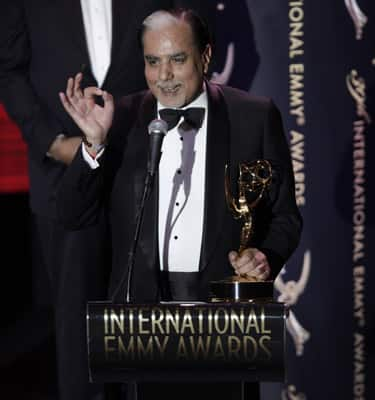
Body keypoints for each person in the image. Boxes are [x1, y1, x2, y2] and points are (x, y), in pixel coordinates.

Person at [57, 8, 302, 400]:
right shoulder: (118, 120)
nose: (164, 75)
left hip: (225, 321)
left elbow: (286, 217)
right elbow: (72, 214)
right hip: (140, 321)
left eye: (177, 59)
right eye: (153, 62)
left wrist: (263, 255)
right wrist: (92, 145)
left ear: (205, 57)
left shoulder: (253, 116)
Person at [0, 2, 214, 400]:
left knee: (152, 323)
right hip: (61, 175)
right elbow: (8, 68)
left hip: (151, 171)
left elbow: (194, 41)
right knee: (79, 333)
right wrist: (51, 142)